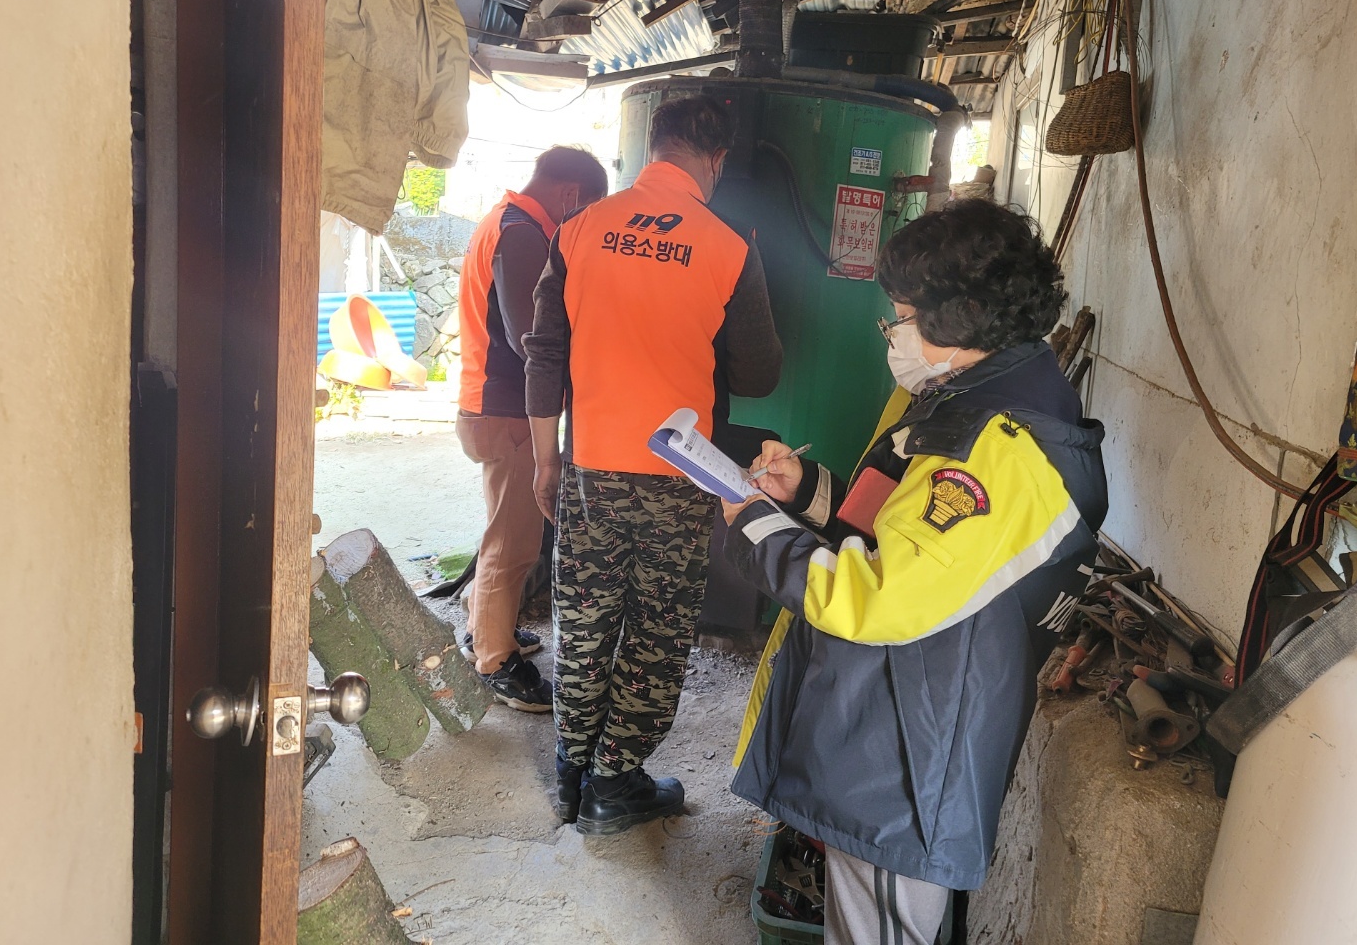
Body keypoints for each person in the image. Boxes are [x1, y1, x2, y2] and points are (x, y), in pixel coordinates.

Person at [721, 199, 1108, 943]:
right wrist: (805, 494)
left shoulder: (999, 447)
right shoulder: (979, 396)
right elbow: (909, 533)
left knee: (883, 927)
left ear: (962, 319)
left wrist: (755, 527)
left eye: (901, 318)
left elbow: (880, 596)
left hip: (909, 751)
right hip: (896, 722)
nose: (894, 335)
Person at [524, 95, 783, 834]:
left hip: (590, 464)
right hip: (679, 470)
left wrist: (547, 461)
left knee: (586, 614)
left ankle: (572, 768)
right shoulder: (729, 246)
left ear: (652, 146)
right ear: (717, 161)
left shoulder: (579, 230)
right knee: (656, 627)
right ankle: (615, 784)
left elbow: (544, 355)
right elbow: (760, 372)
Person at [455, 146, 608, 711]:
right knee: (513, 543)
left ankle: (483, 623)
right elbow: (532, 341)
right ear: (571, 196)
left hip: (488, 404)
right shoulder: (523, 236)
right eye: (586, 211)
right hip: (509, 412)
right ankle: (495, 661)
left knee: (503, 528)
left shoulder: (503, 220)